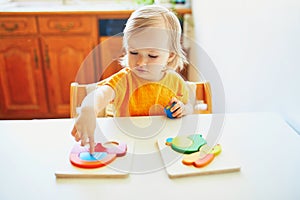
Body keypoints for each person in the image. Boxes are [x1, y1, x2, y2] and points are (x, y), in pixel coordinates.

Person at [71, 4, 193, 153]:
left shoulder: (175, 81)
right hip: (126, 146)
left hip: (162, 147)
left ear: (170, 55)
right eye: (134, 52)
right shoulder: (124, 80)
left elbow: (188, 105)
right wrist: (88, 108)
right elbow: (102, 94)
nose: (141, 62)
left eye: (152, 55)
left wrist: (183, 109)